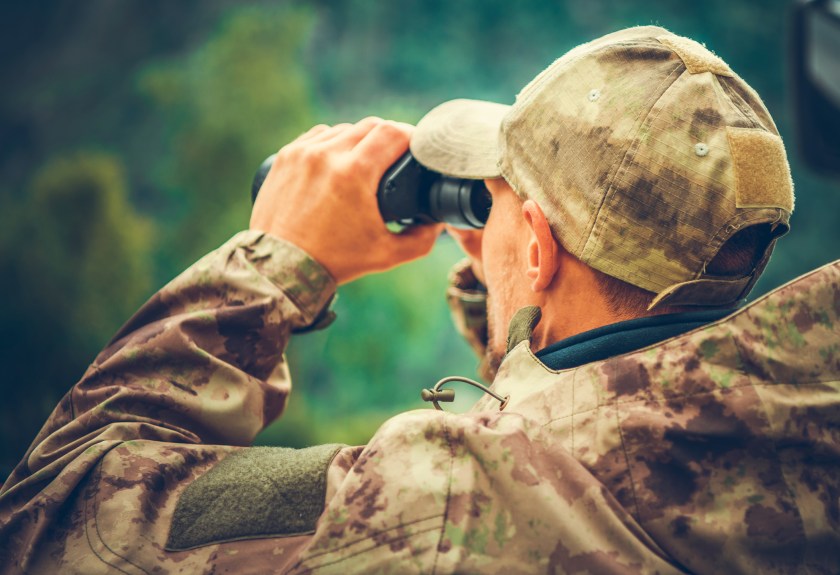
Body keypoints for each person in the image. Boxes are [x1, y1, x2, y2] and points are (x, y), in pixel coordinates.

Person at [0, 25, 837, 575]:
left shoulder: (434, 510)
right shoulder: (801, 436)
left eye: (500, 198)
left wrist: (273, 262)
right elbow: (599, 422)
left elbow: (52, 518)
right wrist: (513, 294)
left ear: (539, 247)